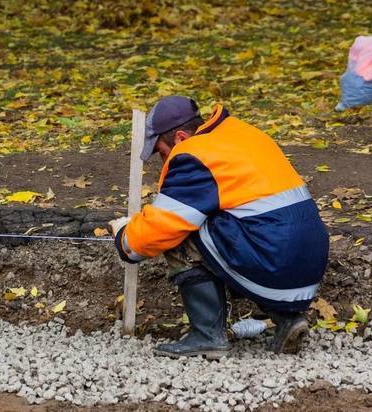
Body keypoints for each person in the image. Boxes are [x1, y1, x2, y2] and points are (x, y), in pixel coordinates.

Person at [110, 96, 329, 359]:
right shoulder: (242, 133)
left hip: (274, 261)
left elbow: (160, 229)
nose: (163, 160)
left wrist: (125, 238)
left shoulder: (194, 156)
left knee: (181, 234)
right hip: (304, 269)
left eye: (161, 151)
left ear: (180, 138)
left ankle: (206, 337)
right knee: (236, 228)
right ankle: (288, 319)